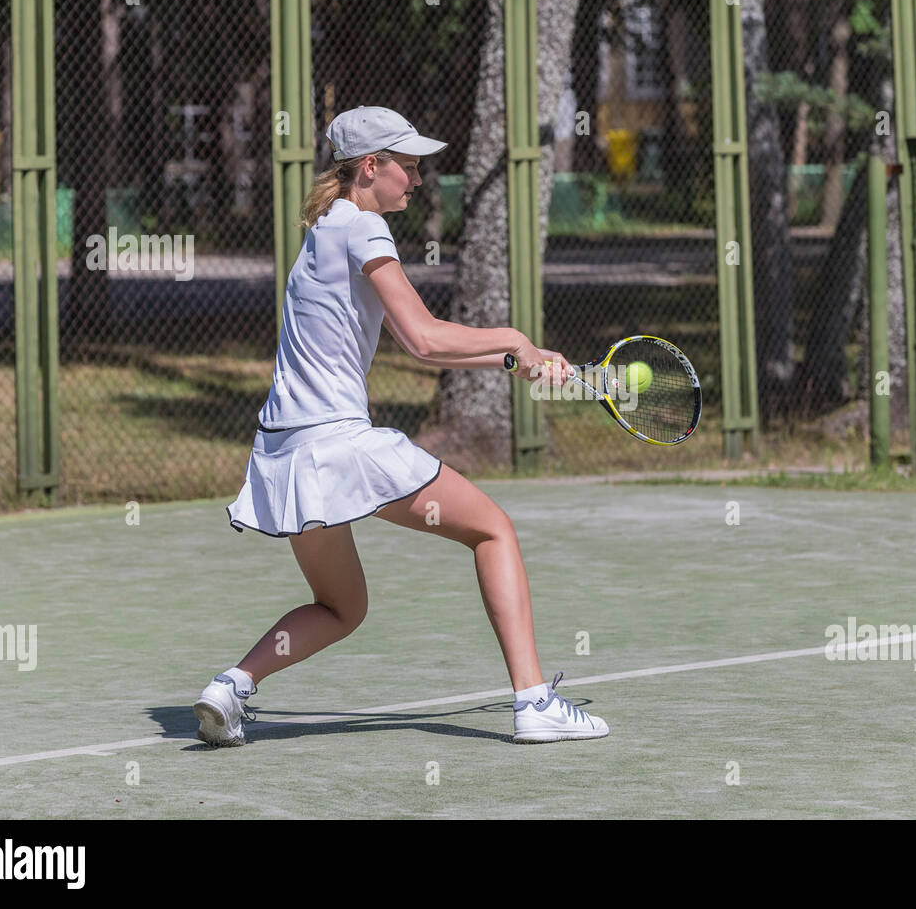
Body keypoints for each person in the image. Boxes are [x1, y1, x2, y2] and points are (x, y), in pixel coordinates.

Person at [193, 106, 607, 747]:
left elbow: (427, 342)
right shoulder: (364, 228)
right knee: (494, 530)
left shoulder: (323, 228)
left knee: (341, 608)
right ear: (370, 167)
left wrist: (508, 360)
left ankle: (231, 688)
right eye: (408, 166)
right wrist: (516, 339)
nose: (417, 180)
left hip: (284, 453)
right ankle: (534, 702)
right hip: (340, 444)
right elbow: (422, 339)